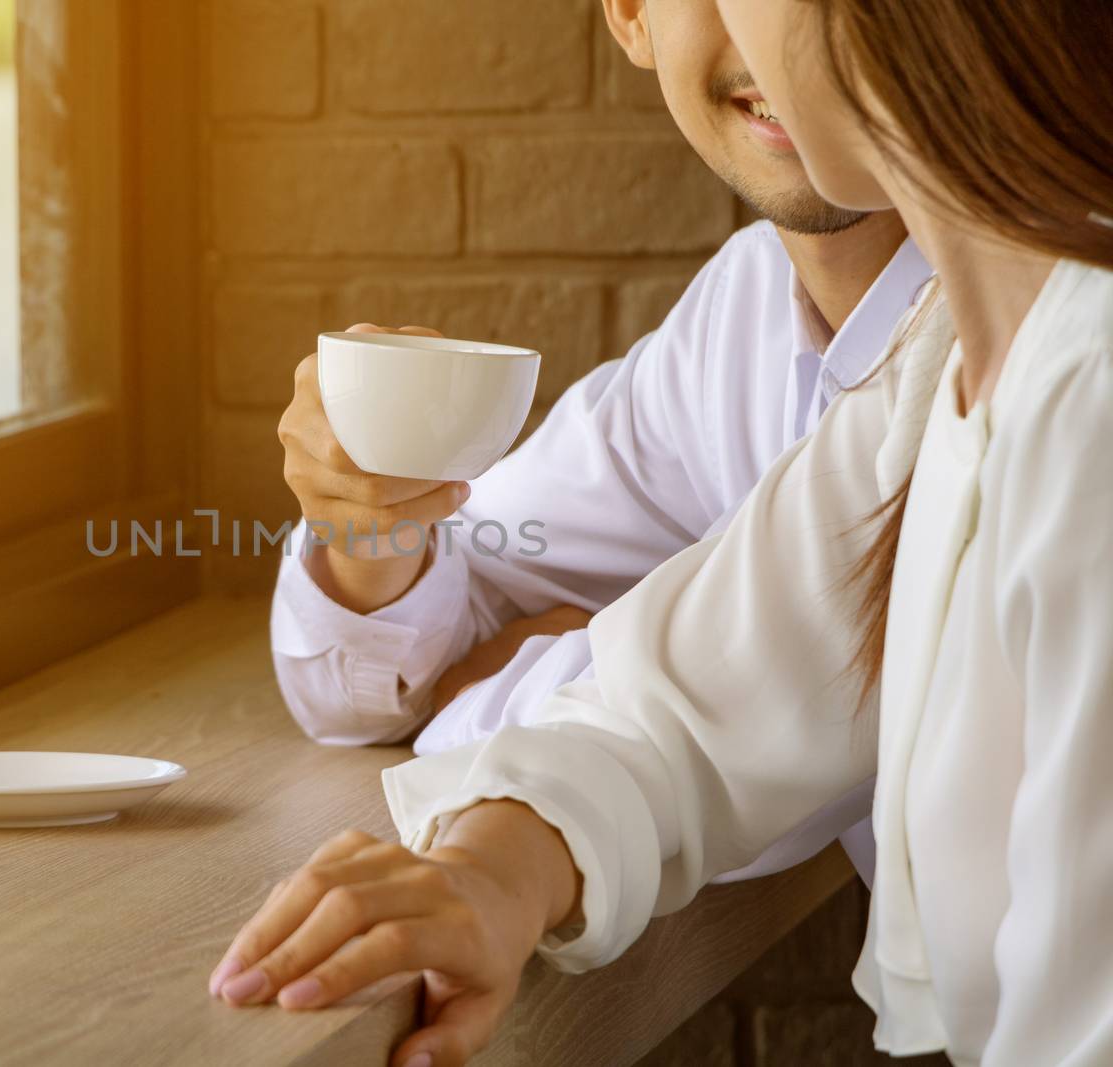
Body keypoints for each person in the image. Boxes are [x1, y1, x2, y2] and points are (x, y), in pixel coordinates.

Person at [216, 2, 1113, 1066]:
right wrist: (489, 871)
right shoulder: (933, 378)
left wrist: (548, 665)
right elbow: (688, 716)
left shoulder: (1083, 386)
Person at [271, 0, 929, 891]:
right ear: (629, 14)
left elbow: (732, 743)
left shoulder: (1021, 318)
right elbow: (452, 600)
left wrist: (556, 667)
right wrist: (371, 524)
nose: (787, 30)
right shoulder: (743, 313)